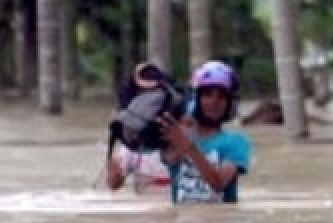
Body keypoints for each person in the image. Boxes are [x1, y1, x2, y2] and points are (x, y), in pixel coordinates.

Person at [159, 60, 252, 204]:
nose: (214, 102)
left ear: (230, 104)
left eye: (221, 97)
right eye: (207, 95)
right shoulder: (176, 136)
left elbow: (219, 183)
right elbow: (168, 158)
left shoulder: (236, 142)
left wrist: (189, 147)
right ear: (195, 99)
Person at [106, 62, 171, 194]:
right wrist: (113, 172)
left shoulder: (178, 135)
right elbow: (114, 185)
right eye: (143, 94)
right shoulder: (131, 144)